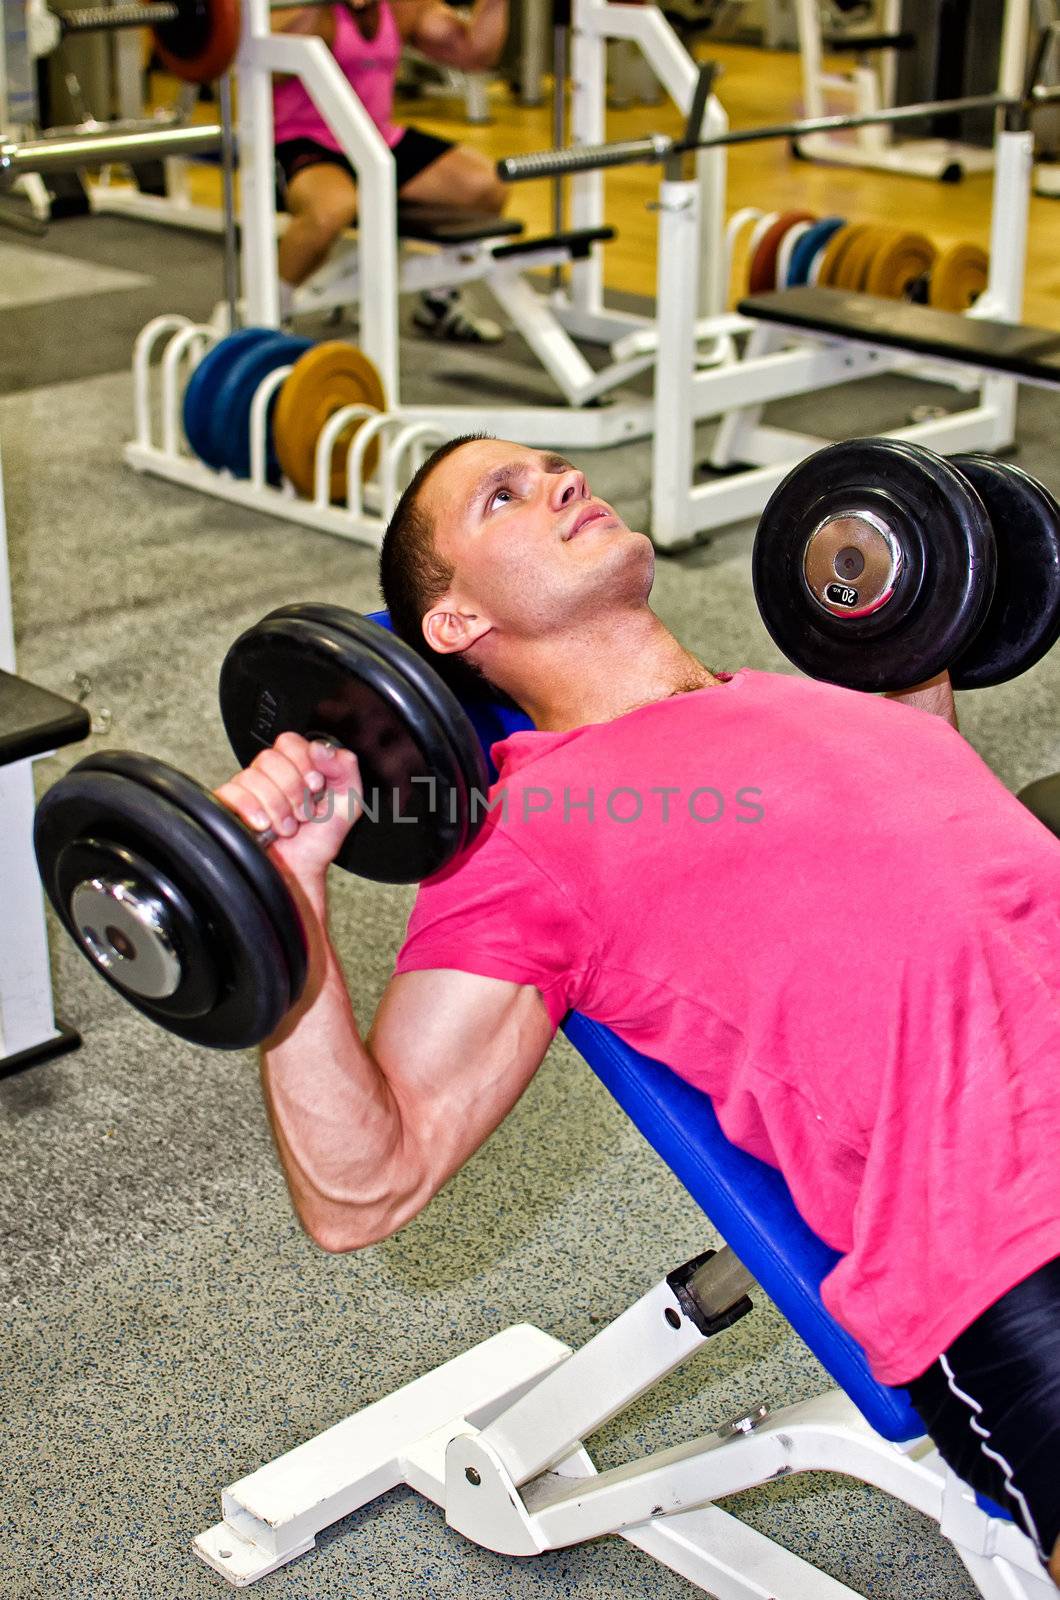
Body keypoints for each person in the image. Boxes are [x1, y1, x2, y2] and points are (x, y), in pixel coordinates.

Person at [216, 435, 1060, 1582]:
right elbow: (364, 1188)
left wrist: (920, 623)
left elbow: (933, 886)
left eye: (556, 465)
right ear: (456, 623)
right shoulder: (520, 838)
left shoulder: (821, 699)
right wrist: (286, 906)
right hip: (1009, 1239)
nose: (563, 481)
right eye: (503, 496)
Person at [272, 0, 510, 340]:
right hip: (305, 140)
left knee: (484, 186)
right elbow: (250, 59)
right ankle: (267, 314)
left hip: (377, 140)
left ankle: (440, 301)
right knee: (330, 211)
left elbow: (475, 55)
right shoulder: (308, 11)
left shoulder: (401, 9)